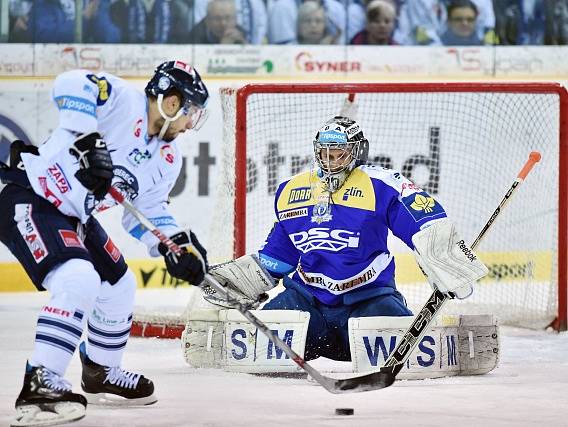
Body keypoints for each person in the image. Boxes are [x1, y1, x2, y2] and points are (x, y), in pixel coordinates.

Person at [0, 60, 210, 426]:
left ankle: (99, 372)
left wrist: (173, 245)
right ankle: (40, 382)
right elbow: (68, 82)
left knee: (118, 286)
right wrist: (86, 137)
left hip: (76, 216)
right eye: (190, 111)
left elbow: (145, 213)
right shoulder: (122, 101)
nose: (190, 123)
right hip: (30, 196)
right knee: (78, 278)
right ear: (171, 102)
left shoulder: (168, 158)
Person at [225, 116, 485, 362]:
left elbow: (425, 220)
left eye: (340, 153)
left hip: (369, 302)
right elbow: (279, 256)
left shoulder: (381, 184)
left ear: (357, 152)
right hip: (306, 304)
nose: (332, 161)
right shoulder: (292, 189)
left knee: (417, 355)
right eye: (326, 153)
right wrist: (241, 282)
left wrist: (447, 260)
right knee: (254, 345)